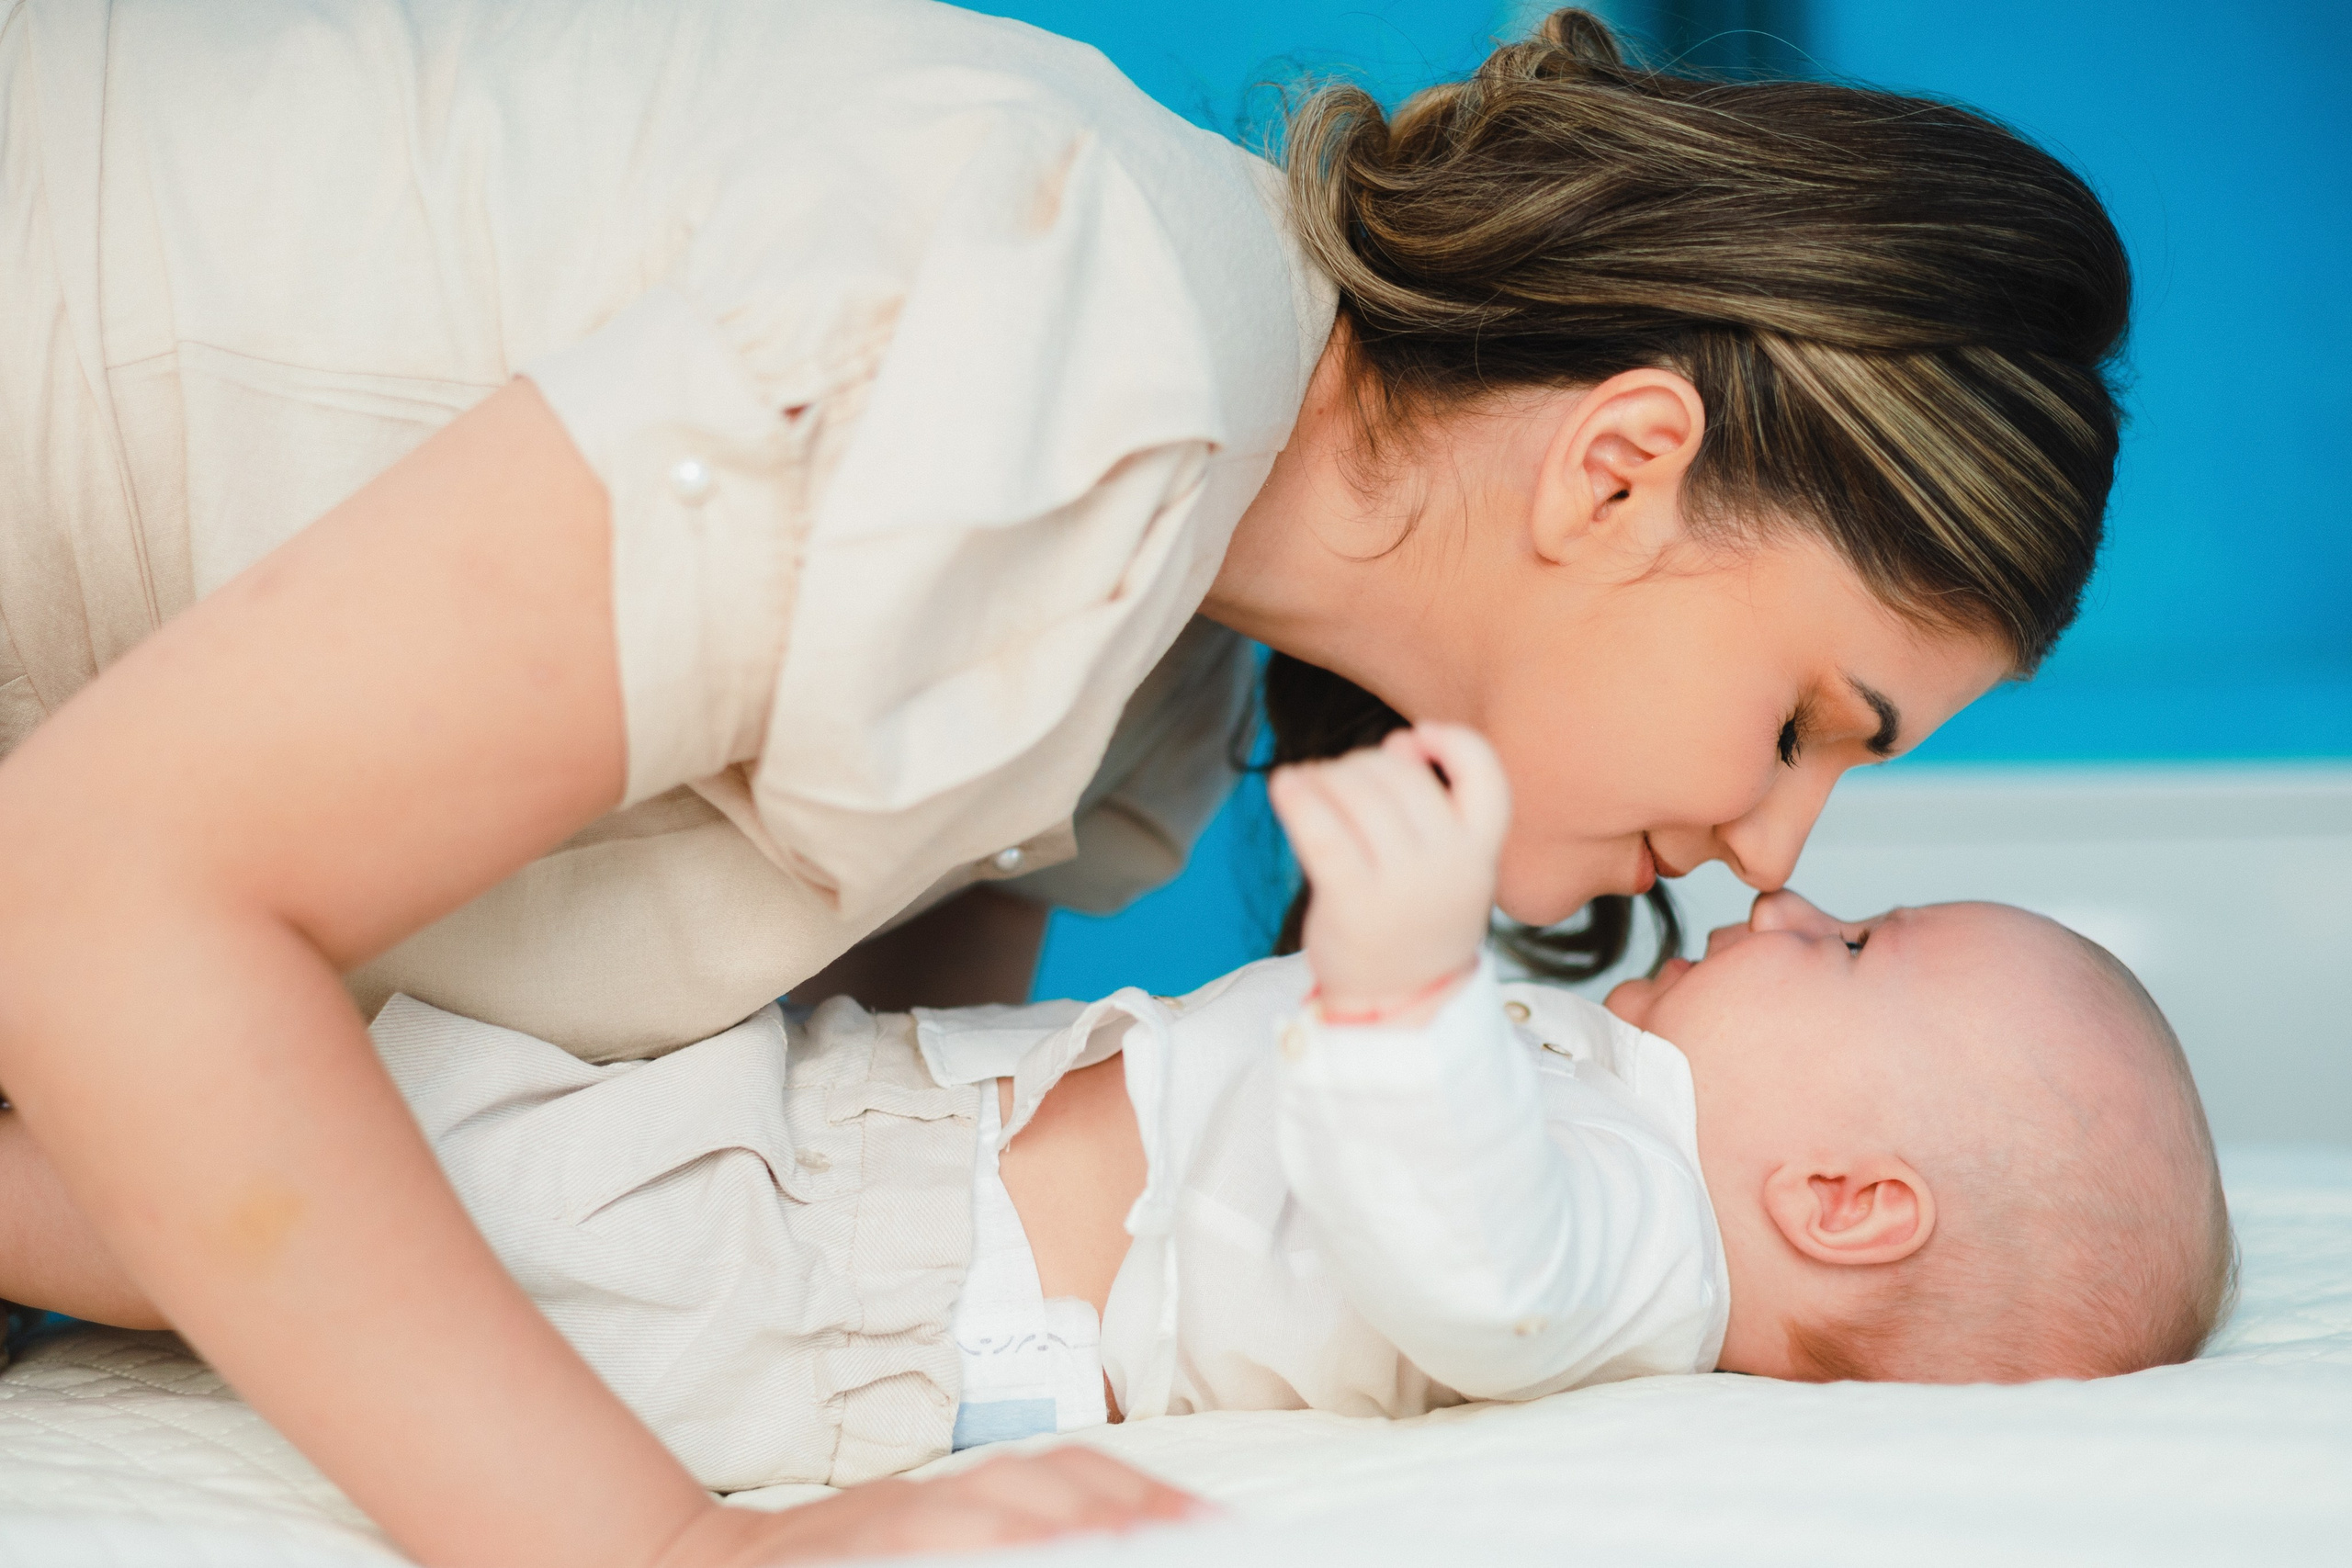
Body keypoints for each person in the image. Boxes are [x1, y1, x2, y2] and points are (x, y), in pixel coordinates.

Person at [0, 0, 2131, 1561]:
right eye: (1802, 724)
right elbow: (98, 891)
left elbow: (865, 1108)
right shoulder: (1060, 345)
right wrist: (660, 1544)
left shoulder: (1164, 655)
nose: (1773, 855)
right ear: (1616, 464)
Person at [1, 726, 2237, 1492]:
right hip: (854, 1151)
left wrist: (1404, 977)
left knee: (332, 1190)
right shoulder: (1633, 1114)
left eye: (1856, 951)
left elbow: (1463, 1260)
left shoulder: (1629, 1252)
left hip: (832, 1282)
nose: (1795, 895)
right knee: (384, 1084)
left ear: (1842, 1200)